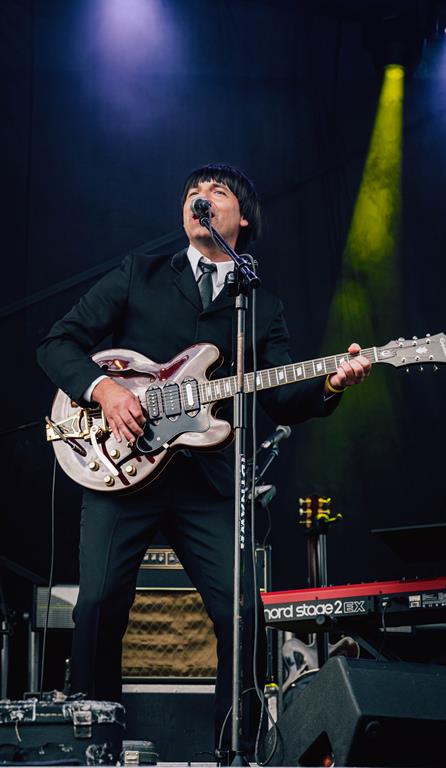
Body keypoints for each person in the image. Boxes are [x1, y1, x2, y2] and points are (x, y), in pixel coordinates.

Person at [37, 163, 371, 759]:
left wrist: (332, 383)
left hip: (207, 485)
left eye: (217, 192)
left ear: (242, 219)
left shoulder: (259, 304)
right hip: (122, 469)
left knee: (242, 612)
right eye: (194, 192)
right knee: (99, 604)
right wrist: (106, 391)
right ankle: (92, 748)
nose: (201, 198)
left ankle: (235, 749)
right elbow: (57, 343)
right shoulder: (140, 274)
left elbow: (280, 397)